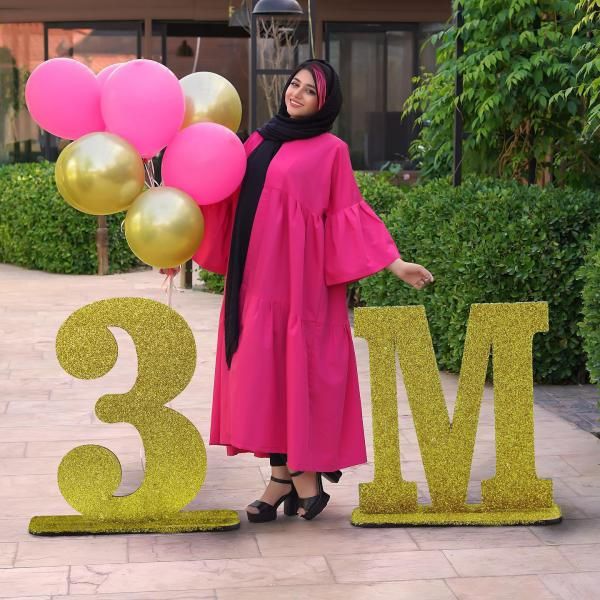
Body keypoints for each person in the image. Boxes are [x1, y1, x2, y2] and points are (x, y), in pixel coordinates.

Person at [193, 59, 433, 523]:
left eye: (309, 90)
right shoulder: (257, 140)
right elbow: (222, 198)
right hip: (253, 280)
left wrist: (395, 263)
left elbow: (350, 213)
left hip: (298, 284)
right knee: (261, 376)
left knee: (292, 372)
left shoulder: (331, 150)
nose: (296, 94)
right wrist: (179, 240)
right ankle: (293, 479)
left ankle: (291, 479)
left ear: (325, 103)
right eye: (294, 84)